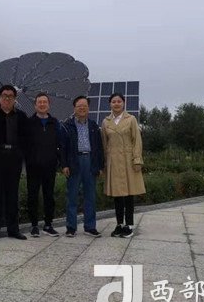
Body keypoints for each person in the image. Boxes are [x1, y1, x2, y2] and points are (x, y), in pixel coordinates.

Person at [0, 84, 28, 240]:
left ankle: (13, 229)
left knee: (12, 195)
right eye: (4, 96)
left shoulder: (21, 116)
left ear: (15, 98)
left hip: (14, 159)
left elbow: (26, 139)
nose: (7, 99)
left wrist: (20, 155)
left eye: (10, 96)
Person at [102, 93, 145, 238]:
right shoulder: (105, 122)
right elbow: (104, 144)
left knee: (129, 195)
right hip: (113, 161)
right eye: (113, 101)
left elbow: (137, 140)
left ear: (124, 103)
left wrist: (137, 159)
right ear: (110, 104)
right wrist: (104, 162)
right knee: (117, 195)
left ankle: (129, 225)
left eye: (119, 101)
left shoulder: (131, 119)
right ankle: (119, 224)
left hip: (128, 160)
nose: (116, 104)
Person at [61, 95, 104, 238]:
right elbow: (63, 147)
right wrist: (64, 165)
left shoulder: (93, 126)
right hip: (74, 161)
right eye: (79, 106)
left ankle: (90, 227)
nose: (82, 108)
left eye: (84, 106)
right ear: (74, 108)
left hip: (90, 161)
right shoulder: (67, 126)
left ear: (88, 108)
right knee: (72, 196)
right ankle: (71, 227)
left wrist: (100, 165)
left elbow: (99, 147)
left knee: (90, 196)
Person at [25, 93, 62, 237]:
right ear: (35, 105)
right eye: (39, 102)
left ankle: (48, 224)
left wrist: (57, 159)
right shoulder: (29, 122)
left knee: (49, 196)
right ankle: (34, 225)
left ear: (48, 105)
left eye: (44, 102)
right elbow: (24, 144)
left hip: (50, 166)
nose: (42, 104)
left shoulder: (54, 122)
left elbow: (59, 142)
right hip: (33, 166)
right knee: (32, 196)